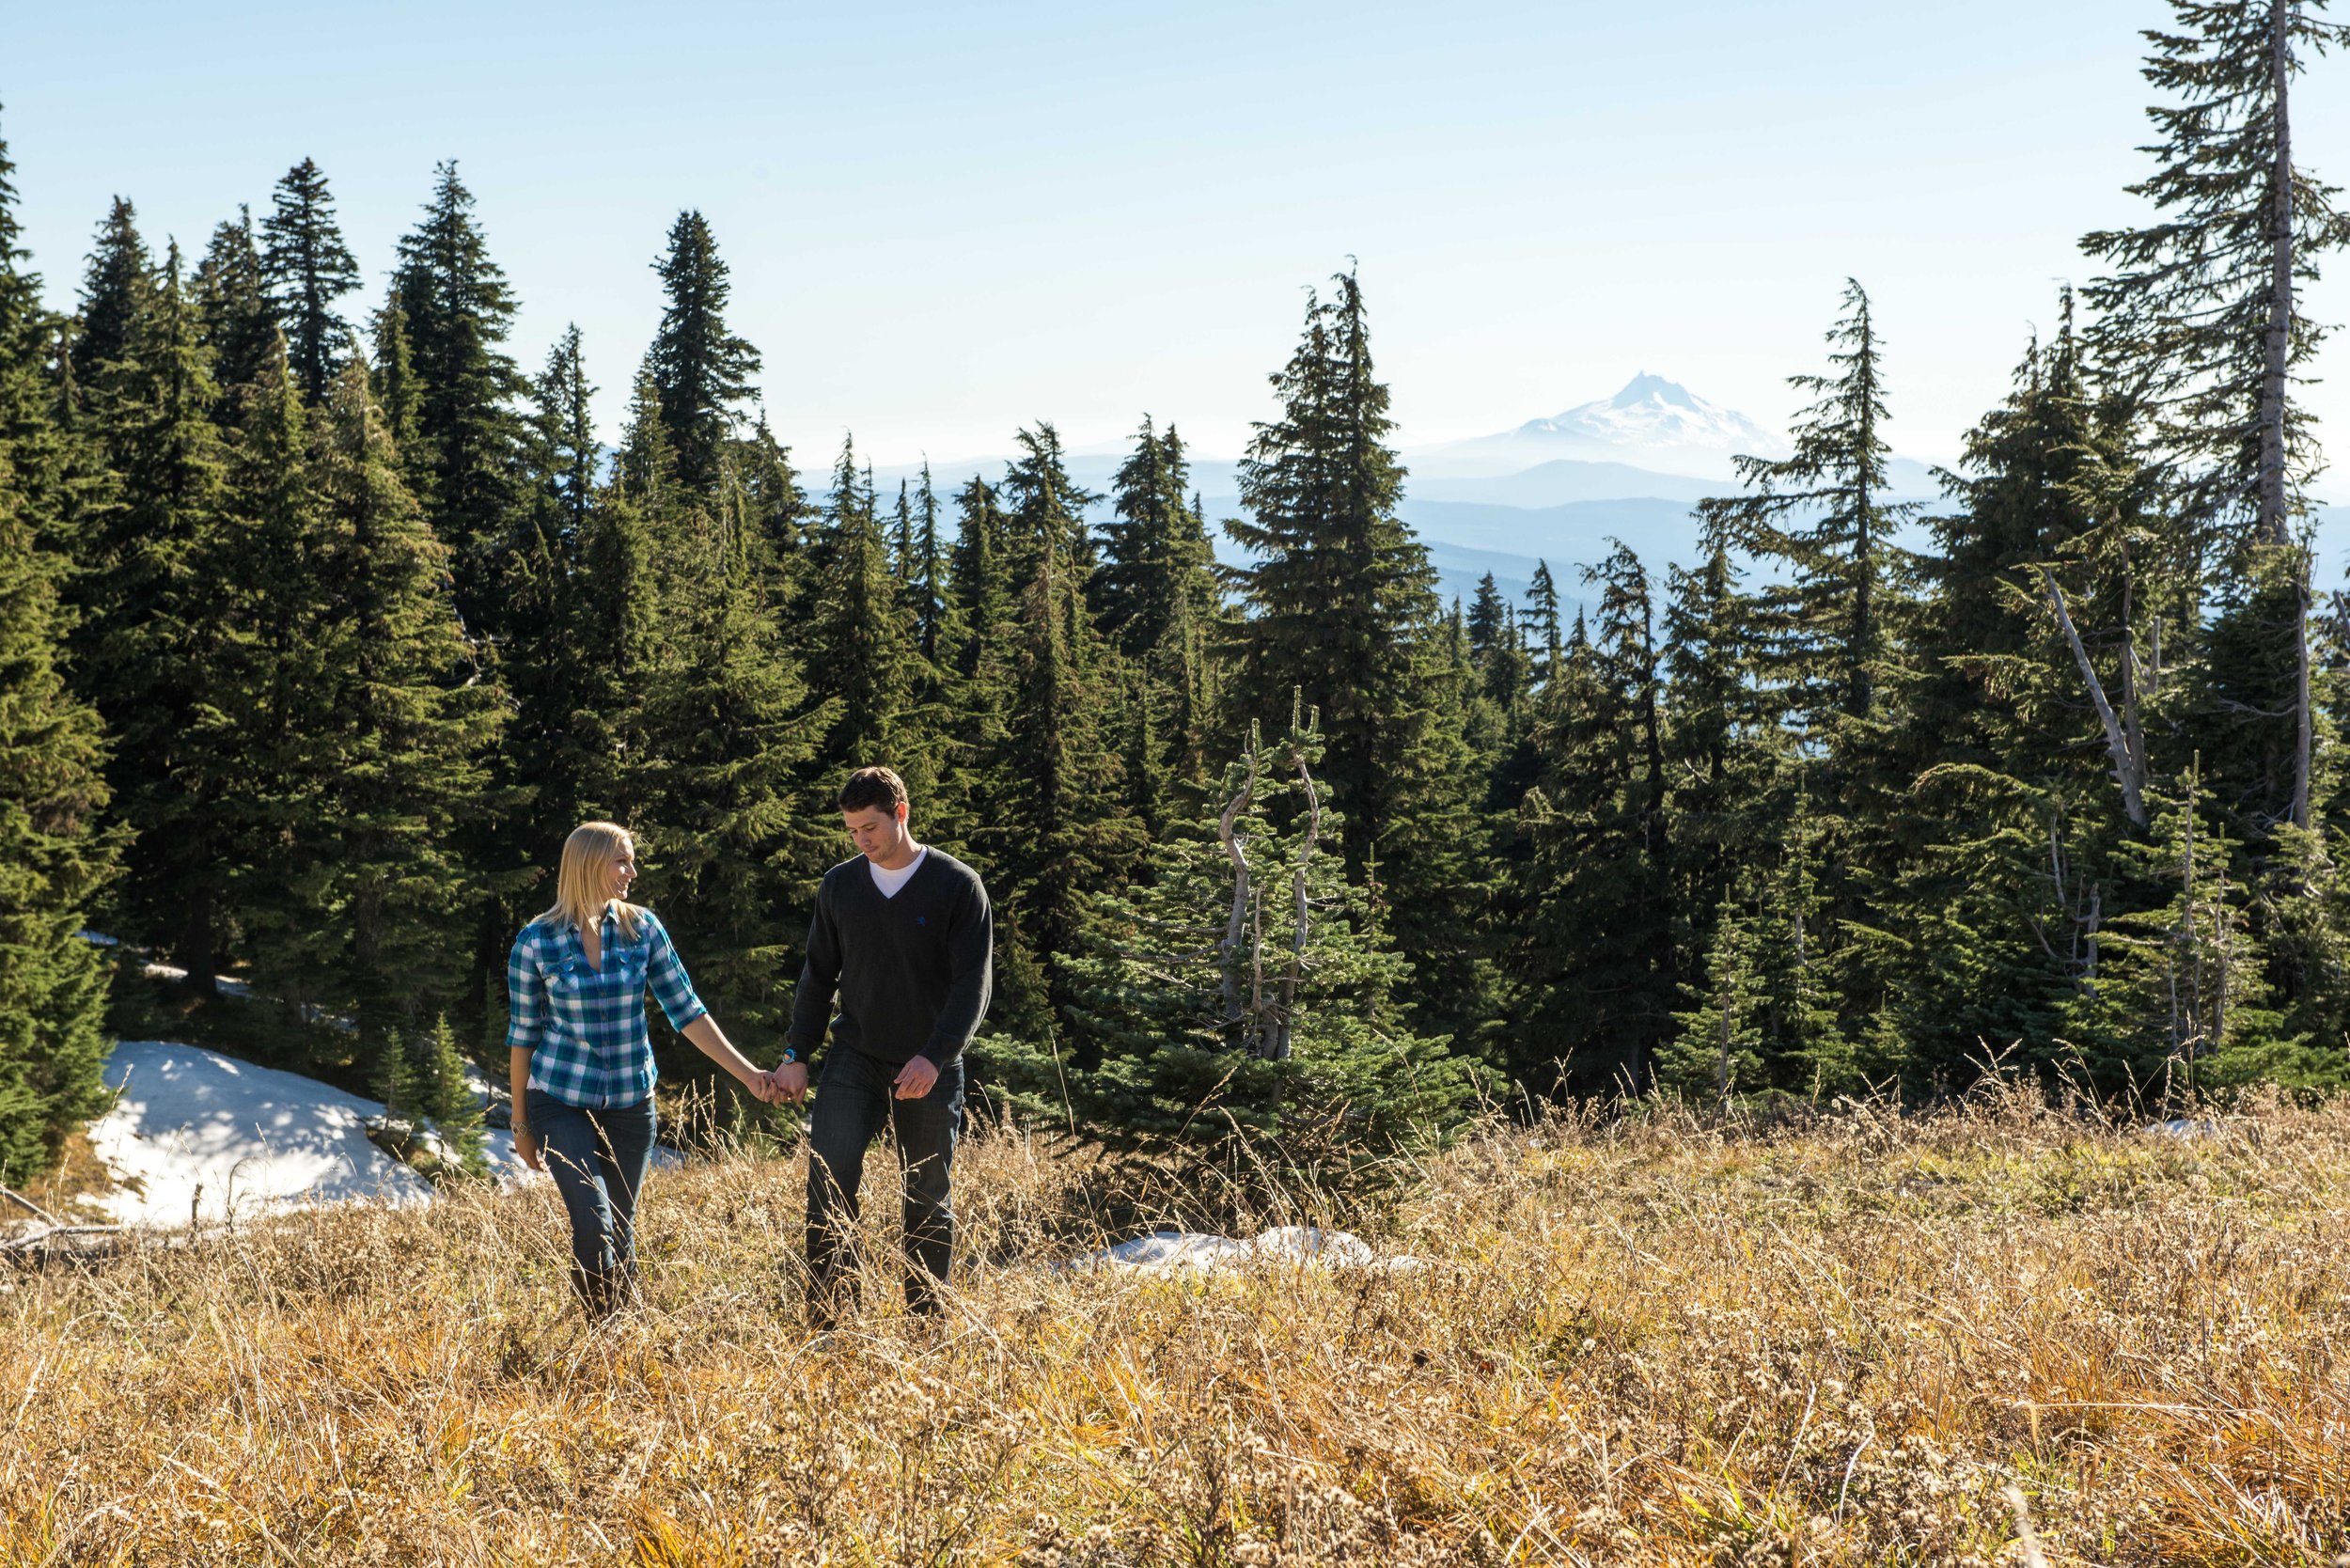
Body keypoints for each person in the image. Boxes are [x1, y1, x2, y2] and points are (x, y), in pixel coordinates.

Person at [508, 821, 781, 1318]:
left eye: (631, 860)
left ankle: (625, 1334)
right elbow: (523, 1038)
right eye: (622, 861)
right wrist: (521, 1123)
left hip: (631, 1106)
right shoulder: (535, 942)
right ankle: (601, 1334)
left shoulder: (643, 929)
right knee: (594, 1221)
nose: (632, 871)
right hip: (559, 1101)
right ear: (590, 865)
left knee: (621, 1221)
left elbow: (689, 1012)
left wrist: (748, 1074)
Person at [770, 767, 993, 1325]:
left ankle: (925, 1328)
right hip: (855, 1057)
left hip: (929, 1064)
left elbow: (974, 984)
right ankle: (831, 1326)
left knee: (925, 1198)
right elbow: (817, 977)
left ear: (901, 812)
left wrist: (935, 1055)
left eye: (870, 827)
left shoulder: (957, 886)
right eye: (852, 831)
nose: (862, 841)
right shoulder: (840, 886)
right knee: (829, 1184)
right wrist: (797, 1056)